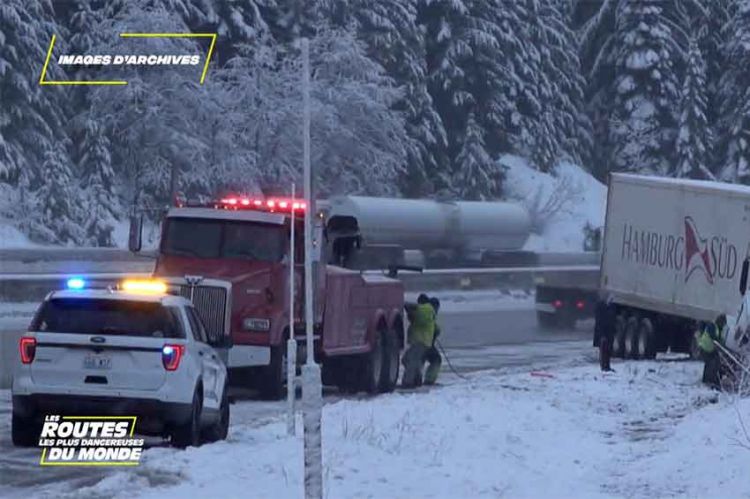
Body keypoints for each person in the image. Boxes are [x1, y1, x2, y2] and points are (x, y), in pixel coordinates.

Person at [402, 293, 436, 388]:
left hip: (421, 341)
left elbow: (420, 315)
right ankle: (417, 380)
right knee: (407, 359)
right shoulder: (427, 309)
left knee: (411, 361)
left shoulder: (427, 308)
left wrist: (407, 306)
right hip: (420, 341)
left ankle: (408, 382)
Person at [696, 314, 728, 389]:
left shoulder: (720, 329)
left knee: (714, 363)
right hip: (704, 348)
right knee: (711, 363)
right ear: (719, 321)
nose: (723, 325)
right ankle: (709, 381)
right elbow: (714, 337)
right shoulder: (712, 326)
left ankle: (708, 380)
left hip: (710, 349)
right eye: (723, 323)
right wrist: (720, 344)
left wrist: (724, 347)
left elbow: (721, 340)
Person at [423, 297, 443, 385]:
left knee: (420, 361)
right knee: (436, 360)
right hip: (426, 343)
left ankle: (416, 379)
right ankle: (429, 380)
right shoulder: (429, 313)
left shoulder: (427, 313)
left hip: (422, 342)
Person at [594, 294, 616, 372]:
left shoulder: (611, 307)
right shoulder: (601, 307)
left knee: (608, 350)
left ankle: (607, 366)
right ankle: (604, 367)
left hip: (609, 332)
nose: (611, 301)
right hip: (603, 332)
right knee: (603, 350)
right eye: (610, 299)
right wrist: (602, 335)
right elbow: (599, 322)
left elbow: (612, 320)